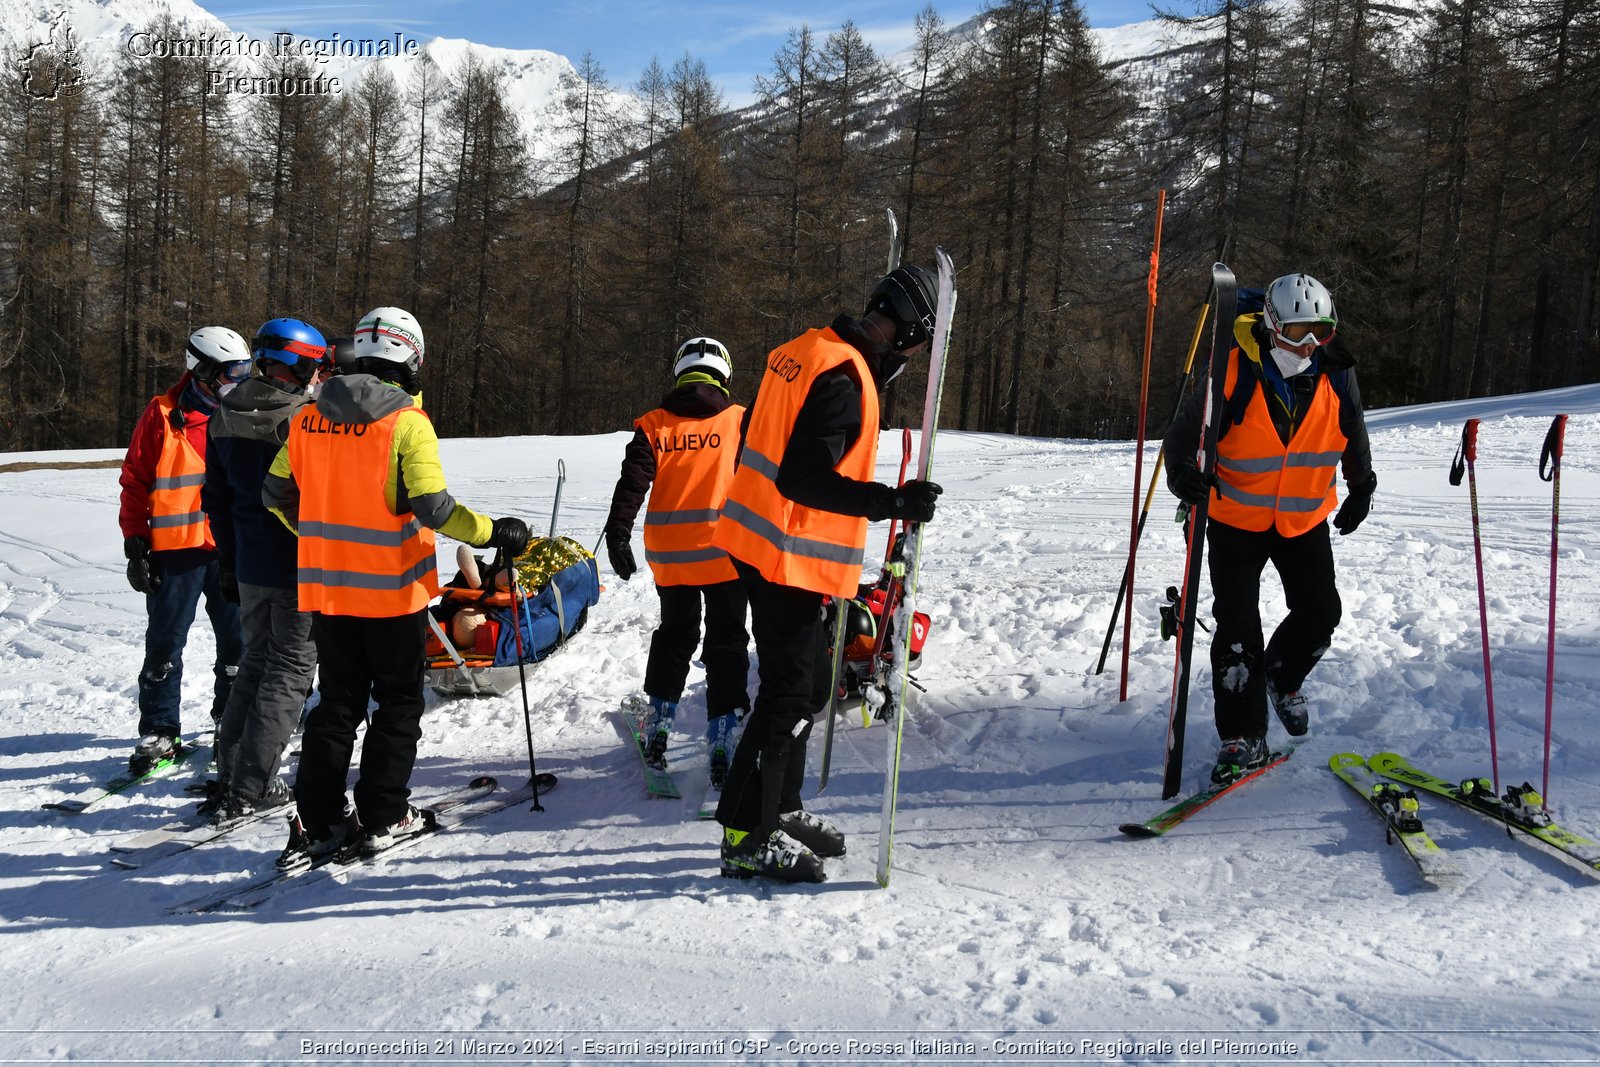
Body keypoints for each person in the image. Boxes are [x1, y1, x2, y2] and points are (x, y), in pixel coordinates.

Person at [263, 306, 530, 861]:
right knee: (397, 704)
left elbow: (276, 493)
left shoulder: (310, 415)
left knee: (337, 703)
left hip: (329, 590)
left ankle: (318, 820)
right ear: (412, 356)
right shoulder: (408, 421)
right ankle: (385, 814)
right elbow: (433, 507)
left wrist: (317, 538)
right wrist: (488, 531)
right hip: (390, 593)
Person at [710, 266, 945, 883]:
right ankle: (744, 831)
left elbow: (758, 440)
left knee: (812, 685)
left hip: (762, 540)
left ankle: (780, 805)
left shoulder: (805, 350)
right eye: (920, 345)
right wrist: (891, 502)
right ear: (908, 335)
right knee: (788, 693)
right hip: (782, 554)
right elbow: (802, 477)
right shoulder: (844, 378)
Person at [1163, 272, 1376, 783]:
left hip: (1302, 517)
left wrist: (1361, 484)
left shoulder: (1336, 370)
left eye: (1319, 332)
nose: (1308, 344)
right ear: (1271, 324)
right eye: (1298, 331)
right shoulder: (1232, 368)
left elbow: (1353, 428)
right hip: (1235, 517)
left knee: (1321, 611)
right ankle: (1243, 734)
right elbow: (1182, 435)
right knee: (1237, 628)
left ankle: (1282, 673)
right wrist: (1182, 477)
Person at [603, 337, 751, 788]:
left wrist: (618, 533)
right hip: (726, 554)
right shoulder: (739, 420)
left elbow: (633, 483)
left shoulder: (655, 424)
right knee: (727, 640)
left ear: (680, 373)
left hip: (670, 555)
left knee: (676, 635)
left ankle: (659, 725)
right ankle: (724, 734)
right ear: (723, 375)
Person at [200, 318, 329, 822]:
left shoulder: (224, 411)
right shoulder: (305, 420)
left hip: (250, 562)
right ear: (299, 363)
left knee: (256, 660)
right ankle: (252, 784)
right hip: (297, 562)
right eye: (314, 367)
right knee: (291, 668)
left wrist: (229, 562)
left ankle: (230, 770)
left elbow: (217, 499)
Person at [118, 327, 251, 772]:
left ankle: (229, 720)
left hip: (229, 549)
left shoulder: (244, 412)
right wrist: (135, 543)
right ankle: (159, 730)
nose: (240, 380)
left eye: (244, 371)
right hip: (175, 554)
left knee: (238, 641)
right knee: (164, 644)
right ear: (204, 371)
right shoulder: (161, 415)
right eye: (232, 372)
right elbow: (136, 479)